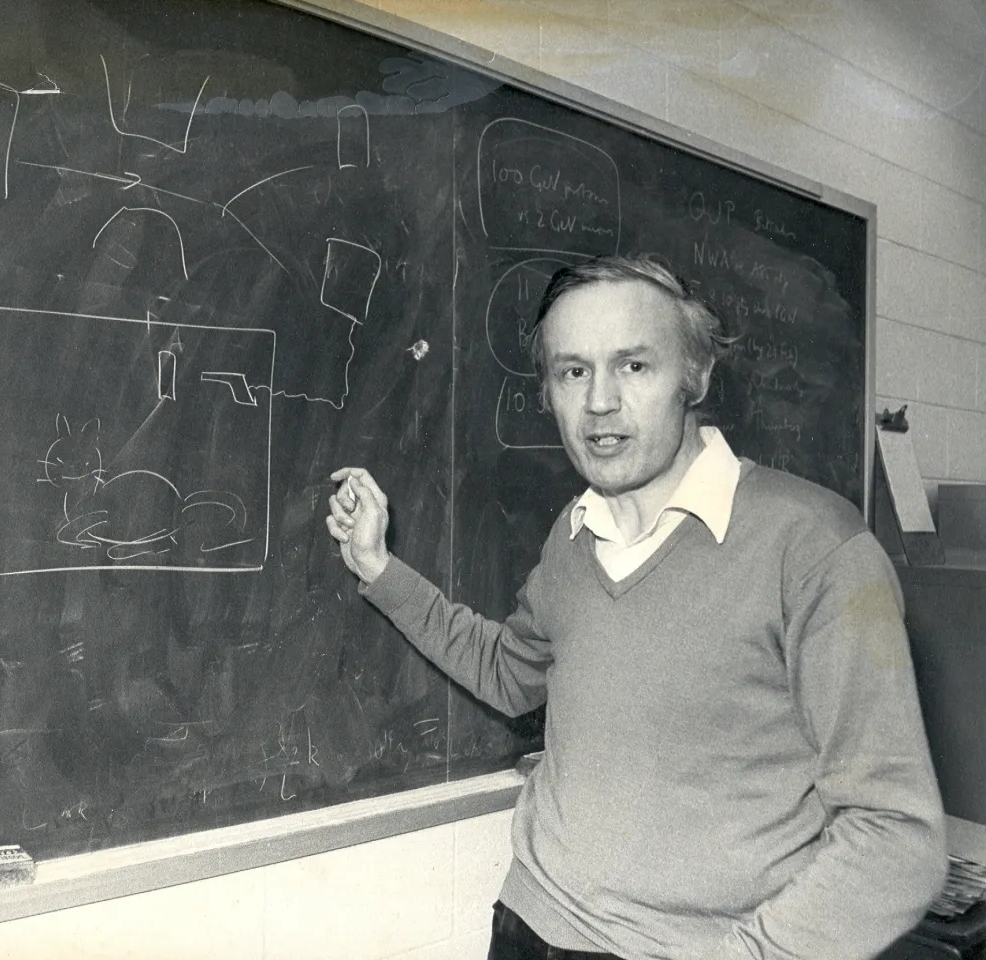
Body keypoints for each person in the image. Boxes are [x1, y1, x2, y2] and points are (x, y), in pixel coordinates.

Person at [325, 255, 947, 960]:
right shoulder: (573, 534)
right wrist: (377, 568)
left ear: (695, 376)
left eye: (634, 365)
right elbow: (507, 671)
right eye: (573, 371)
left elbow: (897, 836)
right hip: (527, 925)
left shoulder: (815, 547)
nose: (599, 402)